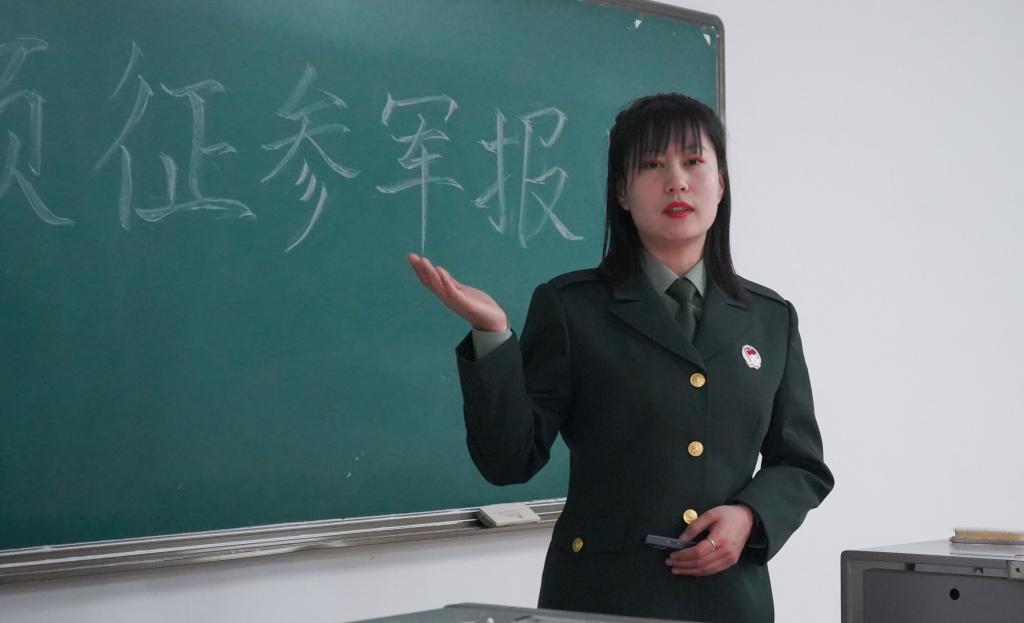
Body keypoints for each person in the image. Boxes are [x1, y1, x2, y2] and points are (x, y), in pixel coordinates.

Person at [408, 93, 833, 623]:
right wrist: (492, 336)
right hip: (603, 599)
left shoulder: (770, 317)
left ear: (721, 184)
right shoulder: (572, 307)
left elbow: (800, 463)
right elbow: (509, 461)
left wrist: (750, 516)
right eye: (652, 165)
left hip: (729, 600)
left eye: (693, 162)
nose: (676, 182)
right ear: (622, 192)